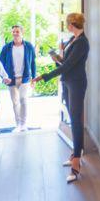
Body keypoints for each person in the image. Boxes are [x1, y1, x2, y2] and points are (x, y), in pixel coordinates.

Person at [33, 13, 89, 183]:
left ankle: (76, 163)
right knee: (73, 120)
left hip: (76, 84)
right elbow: (65, 62)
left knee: (76, 121)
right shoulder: (73, 40)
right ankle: (75, 153)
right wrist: (55, 56)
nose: (66, 26)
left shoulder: (82, 42)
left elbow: (68, 66)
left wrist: (44, 76)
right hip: (68, 83)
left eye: (67, 24)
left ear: (73, 24)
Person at [0, 25, 37, 132]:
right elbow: (0, 64)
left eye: (17, 31)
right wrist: (3, 77)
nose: (15, 33)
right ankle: (18, 124)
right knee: (15, 102)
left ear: (22, 33)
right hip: (11, 79)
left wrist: (34, 78)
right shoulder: (6, 48)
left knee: (23, 100)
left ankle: (24, 124)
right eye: (13, 32)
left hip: (24, 78)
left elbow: (33, 62)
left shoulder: (29, 46)